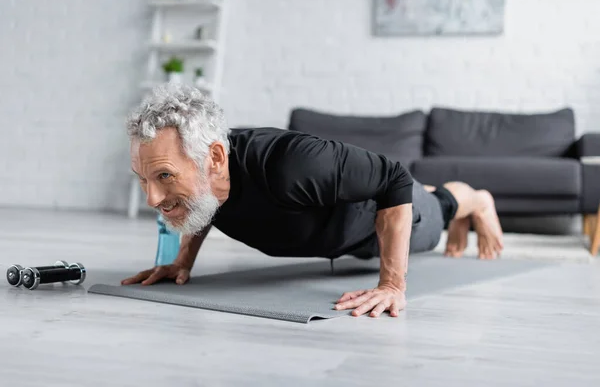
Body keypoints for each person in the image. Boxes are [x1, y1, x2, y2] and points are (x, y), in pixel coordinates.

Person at [121, 84, 504, 318]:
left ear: (216, 159)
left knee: (439, 210)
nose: (152, 198)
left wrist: (391, 285)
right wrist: (182, 261)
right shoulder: (206, 166)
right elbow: (201, 199)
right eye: (144, 179)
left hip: (374, 223)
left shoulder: (292, 162)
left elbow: (394, 179)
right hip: (337, 235)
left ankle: (477, 201)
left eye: (164, 177)